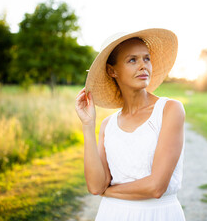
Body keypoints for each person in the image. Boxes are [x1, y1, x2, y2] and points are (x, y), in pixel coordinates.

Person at [75, 28, 186, 220]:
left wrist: (107, 192)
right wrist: (87, 124)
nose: (143, 66)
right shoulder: (107, 125)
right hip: (112, 214)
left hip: (159, 214)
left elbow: (156, 187)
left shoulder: (170, 110)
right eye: (132, 60)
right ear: (112, 71)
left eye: (146, 58)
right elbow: (95, 185)